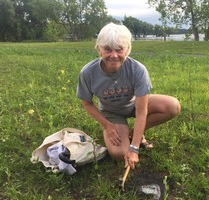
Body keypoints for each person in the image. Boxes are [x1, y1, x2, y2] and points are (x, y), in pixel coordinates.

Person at [77, 23, 180, 169]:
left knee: (172, 106)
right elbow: (87, 103)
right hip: (111, 112)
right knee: (120, 154)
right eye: (107, 49)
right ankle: (119, 133)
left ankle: (134, 134)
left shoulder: (138, 70)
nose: (114, 55)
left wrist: (134, 148)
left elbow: (141, 111)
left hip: (135, 105)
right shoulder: (88, 73)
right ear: (99, 49)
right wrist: (107, 125)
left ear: (128, 49)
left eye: (119, 49)